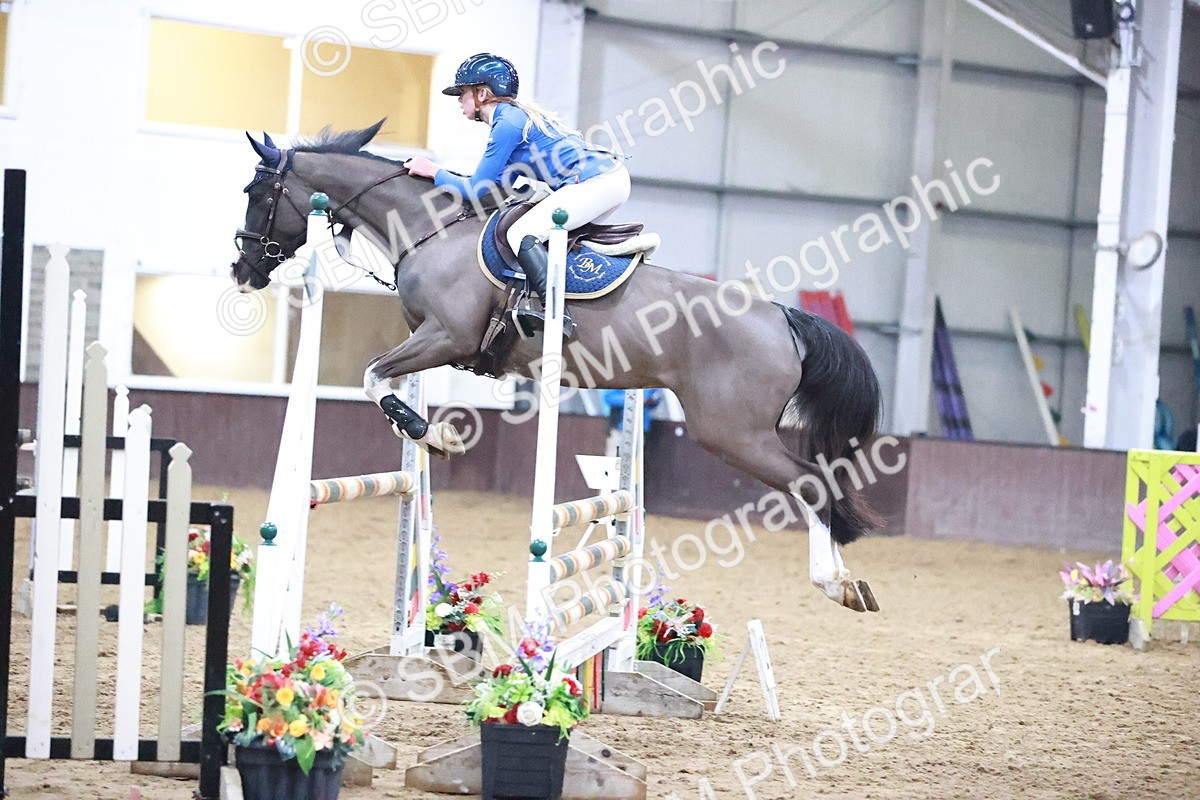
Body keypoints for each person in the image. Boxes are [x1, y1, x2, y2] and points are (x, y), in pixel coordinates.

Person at [404, 53, 631, 333]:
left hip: (598, 182)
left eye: (462, 94)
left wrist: (433, 172)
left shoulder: (507, 123)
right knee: (535, 231)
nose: (459, 102)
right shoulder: (511, 119)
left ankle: (556, 314)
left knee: (521, 234)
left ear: (483, 94)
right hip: (605, 180)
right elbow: (492, 188)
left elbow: (476, 189)